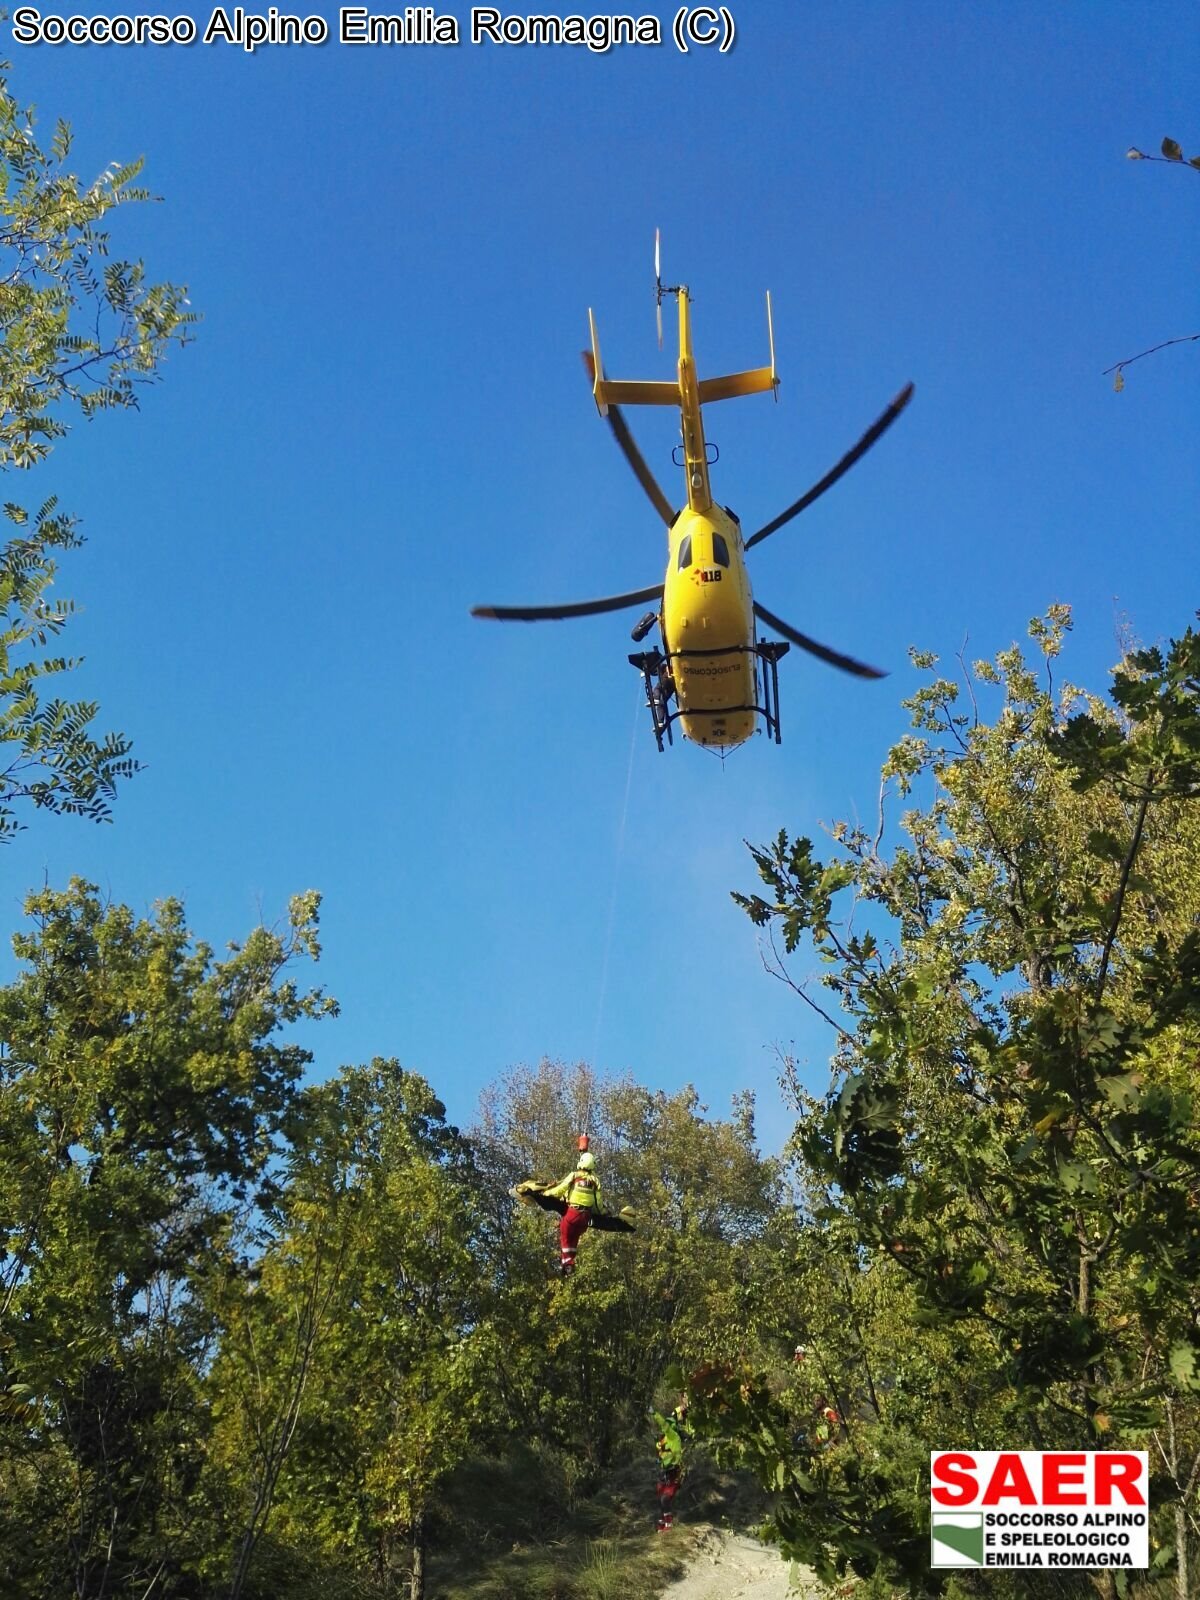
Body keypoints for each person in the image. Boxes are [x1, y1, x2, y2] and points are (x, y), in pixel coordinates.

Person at [544, 1149, 601, 1276]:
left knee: (565, 1234)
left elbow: (560, 1189)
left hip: (572, 1214)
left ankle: (567, 1263)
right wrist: (603, 1213)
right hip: (585, 1219)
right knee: (574, 1237)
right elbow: (598, 1203)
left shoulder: (574, 1176)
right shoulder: (595, 1181)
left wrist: (547, 1193)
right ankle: (570, 1262)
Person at [651, 1399, 689, 1531]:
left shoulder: (673, 1436)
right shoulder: (665, 1440)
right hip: (665, 1472)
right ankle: (662, 1525)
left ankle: (668, 1525)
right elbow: (664, 1453)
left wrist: (654, 1413)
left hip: (674, 1472)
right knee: (660, 1499)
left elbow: (664, 1424)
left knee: (665, 1499)